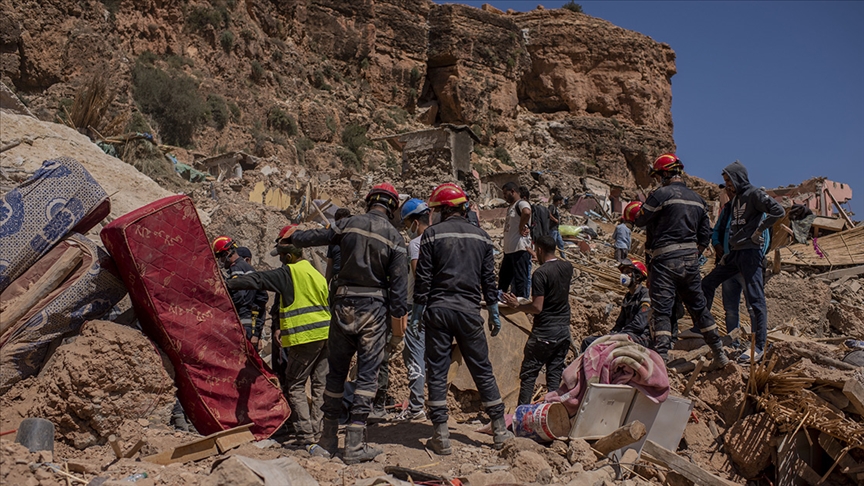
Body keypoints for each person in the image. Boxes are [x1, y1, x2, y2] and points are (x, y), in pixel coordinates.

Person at [286, 182, 408, 464]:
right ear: (391, 207)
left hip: (342, 307)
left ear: (368, 202)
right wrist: (396, 329)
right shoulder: (394, 237)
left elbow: (316, 237)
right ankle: (355, 445)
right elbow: (400, 291)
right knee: (367, 377)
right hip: (374, 311)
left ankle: (327, 440)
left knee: (335, 374)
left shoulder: (347, 224)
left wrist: (295, 236)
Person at [414, 182, 513, 455]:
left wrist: (417, 311)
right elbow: (488, 281)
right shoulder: (482, 237)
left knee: (436, 369)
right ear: (462, 207)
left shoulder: (431, 235)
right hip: (469, 312)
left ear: (444, 210)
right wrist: (492, 310)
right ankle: (500, 432)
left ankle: (441, 435)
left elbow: (423, 277)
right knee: (482, 368)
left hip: (438, 311)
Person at [226, 226, 330, 449]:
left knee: (295, 385)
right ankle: (320, 432)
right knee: (320, 385)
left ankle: (305, 436)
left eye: (282, 256)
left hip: (305, 337)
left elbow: (257, 280)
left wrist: (226, 284)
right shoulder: (316, 274)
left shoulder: (289, 272)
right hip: (326, 336)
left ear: (290, 256)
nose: (280, 261)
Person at [633, 154, 728, 367]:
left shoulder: (660, 195)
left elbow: (640, 220)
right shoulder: (698, 200)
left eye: (659, 176)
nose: (658, 180)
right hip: (690, 263)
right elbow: (705, 235)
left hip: (664, 262)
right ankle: (719, 354)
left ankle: (663, 360)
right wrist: (694, 254)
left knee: (663, 310)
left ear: (665, 173)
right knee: (699, 308)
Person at [701, 161, 784, 363]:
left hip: (750, 254)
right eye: (726, 182)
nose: (728, 185)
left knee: (755, 300)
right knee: (707, 283)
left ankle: (760, 346)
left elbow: (778, 211)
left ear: (739, 178)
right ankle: (700, 328)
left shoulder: (754, 194)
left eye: (730, 181)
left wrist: (759, 230)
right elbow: (721, 227)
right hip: (735, 253)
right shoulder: (734, 201)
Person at [502, 235, 573, 406]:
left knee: (529, 374)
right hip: (563, 331)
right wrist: (540, 254)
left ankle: (522, 414)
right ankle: (551, 412)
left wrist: (516, 305)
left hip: (544, 333)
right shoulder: (567, 267)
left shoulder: (540, 274)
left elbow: (537, 307)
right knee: (554, 374)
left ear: (539, 250)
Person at [395, 198, 431, 422]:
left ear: (415, 222)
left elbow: (419, 274)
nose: (407, 229)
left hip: (417, 304)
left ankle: (416, 407)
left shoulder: (416, 244)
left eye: (407, 223)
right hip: (437, 304)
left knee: (414, 354)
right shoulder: (438, 238)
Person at [581, 259, 651, 352]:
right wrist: (613, 333)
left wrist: (620, 334)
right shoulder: (628, 297)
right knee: (588, 342)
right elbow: (620, 322)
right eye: (624, 272)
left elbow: (639, 324)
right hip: (627, 334)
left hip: (640, 337)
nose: (624, 275)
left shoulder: (645, 295)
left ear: (638, 276)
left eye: (628, 272)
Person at [212, 236, 268, 351]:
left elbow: (239, 298)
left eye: (220, 257)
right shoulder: (248, 267)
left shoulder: (236, 269)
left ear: (227, 253)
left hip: (244, 321)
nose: (221, 261)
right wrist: (256, 332)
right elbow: (262, 298)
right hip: (251, 322)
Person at [499, 181, 532, 299]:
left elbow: (527, 213)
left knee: (520, 280)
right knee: (503, 279)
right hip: (509, 251)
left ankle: (521, 304)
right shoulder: (511, 207)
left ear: (513, 191)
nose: (504, 197)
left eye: (505, 193)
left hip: (519, 249)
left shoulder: (521, 203)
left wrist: (521, 226)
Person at [236, 246, 268, 348]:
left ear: (247, 260)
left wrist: (256, 335)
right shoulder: (237, 279)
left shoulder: (255, 281)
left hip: (251, 330)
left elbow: (261, 309)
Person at [325, 208, 351, 287]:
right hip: (336, 282)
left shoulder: (354, 239)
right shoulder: (333, 241)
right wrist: (326, 283)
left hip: (350, 282)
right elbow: (330, 264)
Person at [548, 195, 567, 259]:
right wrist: (555, 219)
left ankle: (563, 257)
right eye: (560, 201)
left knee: (560, 243)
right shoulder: (552, 207)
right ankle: (550, 256)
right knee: (552, 244)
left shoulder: (555, 208)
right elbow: (548, 213)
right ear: (558, 201)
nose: (561, 202)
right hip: (552, 229)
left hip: (556, 229)